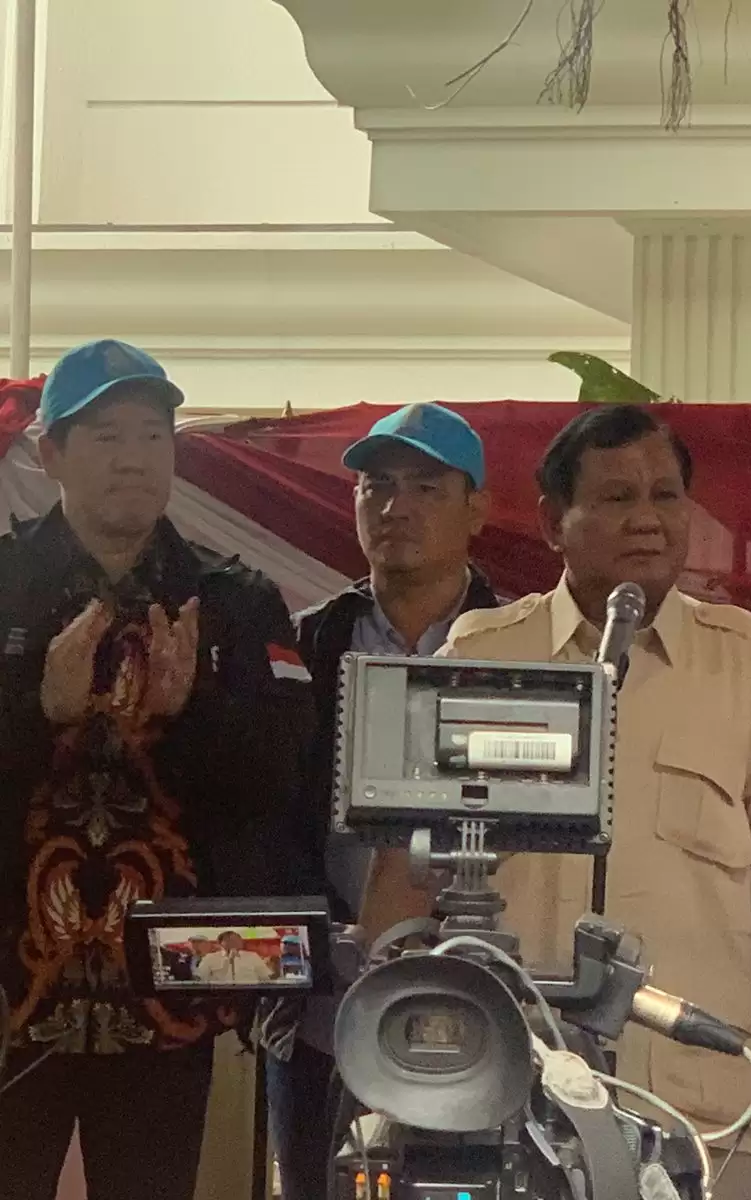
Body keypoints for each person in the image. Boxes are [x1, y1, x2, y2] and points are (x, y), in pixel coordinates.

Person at [360, 404, 751, 1199]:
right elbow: (405, 867)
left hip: (702, 1099)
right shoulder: (485, 654)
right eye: (618, 498)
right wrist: (390, 1044)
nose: (647, 520)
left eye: (665, 496)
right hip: (509, 1093)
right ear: (553, 522)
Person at [0, 339, 317, 1200]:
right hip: (13, 987)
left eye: (152, 435)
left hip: (171, 994)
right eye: (106, 436)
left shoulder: (235, 600)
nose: (134, 458)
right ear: (50, 454)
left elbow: (278, 781)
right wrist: (38, 709)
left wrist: (191, 713)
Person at [267, 401, 500, 1200]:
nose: (396, 507)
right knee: (318, 1180)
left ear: (477, 509)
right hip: (325, 1004)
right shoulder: (308, 643)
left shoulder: (518, 644)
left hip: (482, 994)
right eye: (377, 486)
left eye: (426, 488)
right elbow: (271, 810)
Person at [196, 931, 275, 985]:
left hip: (249, 994)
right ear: (220, 943)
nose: (236, 942)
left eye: (238, 939)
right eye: (230, 940)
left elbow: (265, 977)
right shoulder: (210, 958)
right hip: (220, 994)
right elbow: (201, 978)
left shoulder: (252, 956)